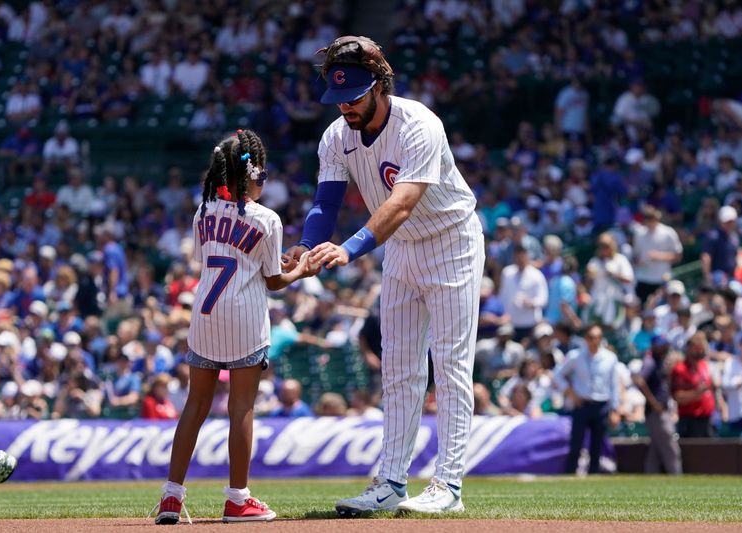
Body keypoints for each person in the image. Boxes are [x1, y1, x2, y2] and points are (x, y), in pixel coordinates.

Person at [282, 36, 484, 515]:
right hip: (401, 250)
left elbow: (403, 202)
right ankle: (391, 481)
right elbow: (325, 202)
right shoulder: (336, 135)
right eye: (338, 99)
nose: (345, 107)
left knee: (451, 366)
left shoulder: (419, 123)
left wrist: (350, 249)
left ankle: (448, 487)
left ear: (379, 86)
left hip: (450, 241)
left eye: (353, 96)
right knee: (397, 369)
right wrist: (307, 247)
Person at [152, 129, 318, 525]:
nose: (264, 180)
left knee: (194, 406)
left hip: (205, 315)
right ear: (249, 176)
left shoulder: (203, 210)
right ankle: (238, 499)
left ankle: (172, 497)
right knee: (241, 407)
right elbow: (274, 280)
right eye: (261, 174)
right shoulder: (267, 219)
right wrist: (303, 270)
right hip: (244, 316)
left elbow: (207, 258)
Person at [554, 324, 620, 475]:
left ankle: (594, 475)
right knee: (576, 443)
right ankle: (570, 474)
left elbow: (614, 384)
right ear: (585, 338)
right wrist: (570, 393)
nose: (594, 341)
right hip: (582, 404)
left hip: (601, 405)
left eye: (597, 338)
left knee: (597, 445)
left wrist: (615, 409)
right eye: (591, 337)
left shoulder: (610, 358)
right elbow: (558, 375)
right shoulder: (575, 356)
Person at [633, 335, 682, 474]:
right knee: (670, 446)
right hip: (656, 412)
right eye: (661, 345)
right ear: (654, 346)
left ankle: (651, 476)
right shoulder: (650, 361)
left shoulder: (660, 361)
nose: (665, 347)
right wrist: (654, 403)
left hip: (660, 410)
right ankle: (676, 477)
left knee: (655, 449)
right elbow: (640, 380)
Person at [632, 205, 683, 304]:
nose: (649, 221)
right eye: (647, 218)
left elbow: (678, 256)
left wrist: (659, 256)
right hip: (643, 279)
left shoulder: (668, 233)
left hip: (661, 279)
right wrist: (638, 261)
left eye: (651, 218)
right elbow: (635, 256)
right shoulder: (639, 234)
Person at [499, 244, 549, 343]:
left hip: (530, 323)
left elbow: (544, 299)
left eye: (522, 257)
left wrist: (531, 303)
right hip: (511, 322)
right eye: (518, 258)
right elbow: (503, 295)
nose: (520, 260)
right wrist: (504, 313)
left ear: (527, 257)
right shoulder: (507, 273)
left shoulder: (536, 275)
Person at [671, 331, 716, 438]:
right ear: (689, 348)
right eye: (697, 348)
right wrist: (697, 393)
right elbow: (678, 397)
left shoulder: (704, 365)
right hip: (690, 421)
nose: (700, 351)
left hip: (707, 420)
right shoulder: (680, 369)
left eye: (701, 348)